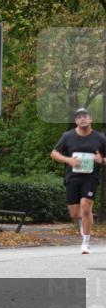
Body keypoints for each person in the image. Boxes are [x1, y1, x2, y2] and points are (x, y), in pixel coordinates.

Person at [51, 108, 106, 254]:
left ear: (91, 119)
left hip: (91, 177)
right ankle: (84, 222)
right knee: (75, 214)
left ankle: (86, 243)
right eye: (79, 117)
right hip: (72, 178)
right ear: (76, 121)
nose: (82, 119)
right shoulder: (67, 136)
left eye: (85, 116)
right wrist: (68, 160)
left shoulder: (100, 138)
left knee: (86, 207)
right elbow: (54, 153)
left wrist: (102, 160)